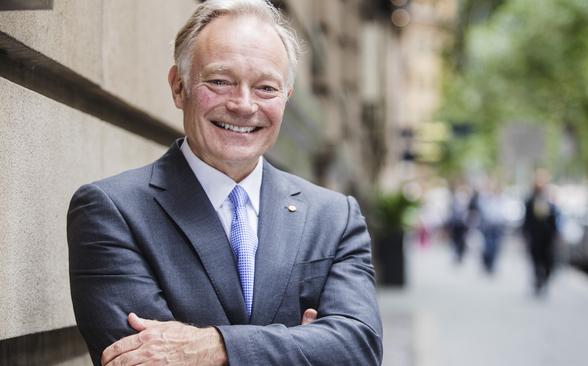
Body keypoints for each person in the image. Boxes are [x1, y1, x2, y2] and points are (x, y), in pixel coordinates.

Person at [66, 1, 382, 365]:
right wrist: (302, 343)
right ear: (179, 87)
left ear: (287, 98)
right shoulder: (111, 211)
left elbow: (359, 349)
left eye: (265, 87)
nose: (244, 105)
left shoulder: (334, 217)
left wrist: (213, 347)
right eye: (219, 81)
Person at [522, 170, 558, 296]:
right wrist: (525, 234)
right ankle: (538, 280)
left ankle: (544, 279)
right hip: (535, 236)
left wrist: (555, 233)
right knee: (536, 260)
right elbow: (527, 219)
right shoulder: (530, 200)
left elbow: (554, 218)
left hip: (547, 237)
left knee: (548, 260)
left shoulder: (550, 200)